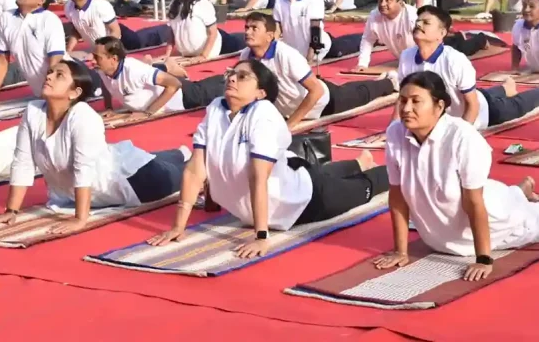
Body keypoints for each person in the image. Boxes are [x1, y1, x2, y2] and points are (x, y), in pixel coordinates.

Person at [374, 71, 539, 280]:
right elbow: (397, 195)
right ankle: (520, 191)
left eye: (416, 101)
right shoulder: (397, 133)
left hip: (498, 222)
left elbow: (474, 202)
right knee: (498, 192)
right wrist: (400, 250)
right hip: (441, 236)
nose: (406, 108)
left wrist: (484, 258)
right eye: (403, 101)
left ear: (440, 106)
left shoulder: (463, 138)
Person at [147, 59, 389, 257]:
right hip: (292, 172)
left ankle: (392, 171)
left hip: (305, 200)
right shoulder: (216, 109)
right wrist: (178, 226)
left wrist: (261, 237)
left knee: (361, 188)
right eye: (232, 73)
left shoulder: (264, 114)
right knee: (320, 173)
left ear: (260, 93)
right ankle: (358, 162)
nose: (232, 78)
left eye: (242, 77)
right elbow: (194, 171)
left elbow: (258, 178)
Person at [0, 60, 190, 234]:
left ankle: (190, 156)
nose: (49, 76)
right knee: (170, 155)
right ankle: (179, 153)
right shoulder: (33, 112)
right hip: (112, 160)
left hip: (137, 181)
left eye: (59, 75)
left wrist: (81, 219)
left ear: (74, 92)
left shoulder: (83, 117)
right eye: (50, 72)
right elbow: (23, 161)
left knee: (188, 172)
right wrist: (11, 211)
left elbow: (84, 169)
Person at [398, 6, 539, 130]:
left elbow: (472, 105)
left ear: (442, 33)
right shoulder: (406, 56)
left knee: (516, 105)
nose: (418, 25)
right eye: (418, 22)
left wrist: (462, 133)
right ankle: (505, 88)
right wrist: (394, 129)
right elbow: (402, 98)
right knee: (470, 92)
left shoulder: (455, 60)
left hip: (481, 112)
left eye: (426, 23)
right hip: (462, 99)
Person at [240, 12, 396, 131]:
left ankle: (389, 82)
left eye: (254, 28)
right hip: (287, 109)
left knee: (361, 94)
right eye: (247, 28)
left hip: (322, 103)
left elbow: (317, 90)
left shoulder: (285, 55)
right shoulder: (246, 56)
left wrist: (291, 124)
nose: (248, 32)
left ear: (269, 36)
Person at [352, 0, 490, 74]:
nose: (382, 4)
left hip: (435, 45)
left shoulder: (413, 16)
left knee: (464, 49)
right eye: (380, 0)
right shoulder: (374, 16)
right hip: (407, 55)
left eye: (388, 0)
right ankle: (457, 36)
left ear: (400, 3)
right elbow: (368, 39)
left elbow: (428, 42)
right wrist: (362, 63)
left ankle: (480, 39)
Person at [93, 36, 225, 123]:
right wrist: (109, 107)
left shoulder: (133, 69)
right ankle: (167, 66)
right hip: (162, 92)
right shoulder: (102, 69)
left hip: (186, 97)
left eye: (97, 57)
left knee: (223, 88)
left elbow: (175, 84)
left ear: (114, 59)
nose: (93, 60)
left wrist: (147, 113)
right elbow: (105, 83)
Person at [272, 0, 361, 62]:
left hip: (320, 47)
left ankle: (370, 37)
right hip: (294, 49)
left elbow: (315, 29)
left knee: (345, 46)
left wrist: (310, 57)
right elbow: (277, 28)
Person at [64, 0, 170, 54]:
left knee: (144, 39)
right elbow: (76, 29)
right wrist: (68, 51)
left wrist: (102, 51)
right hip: (102, 45)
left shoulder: (100, 5)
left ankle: (167, 28)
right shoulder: (68, 7)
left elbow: (116, 31)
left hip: (121, 40)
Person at [162, 0, 245, 65]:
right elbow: (172, 31)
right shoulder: (174, 4)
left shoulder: (201, 3)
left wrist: (203, 56)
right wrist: (167, 54)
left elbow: (212, 33)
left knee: (244, 40)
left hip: (219, 45)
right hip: (189, 53)